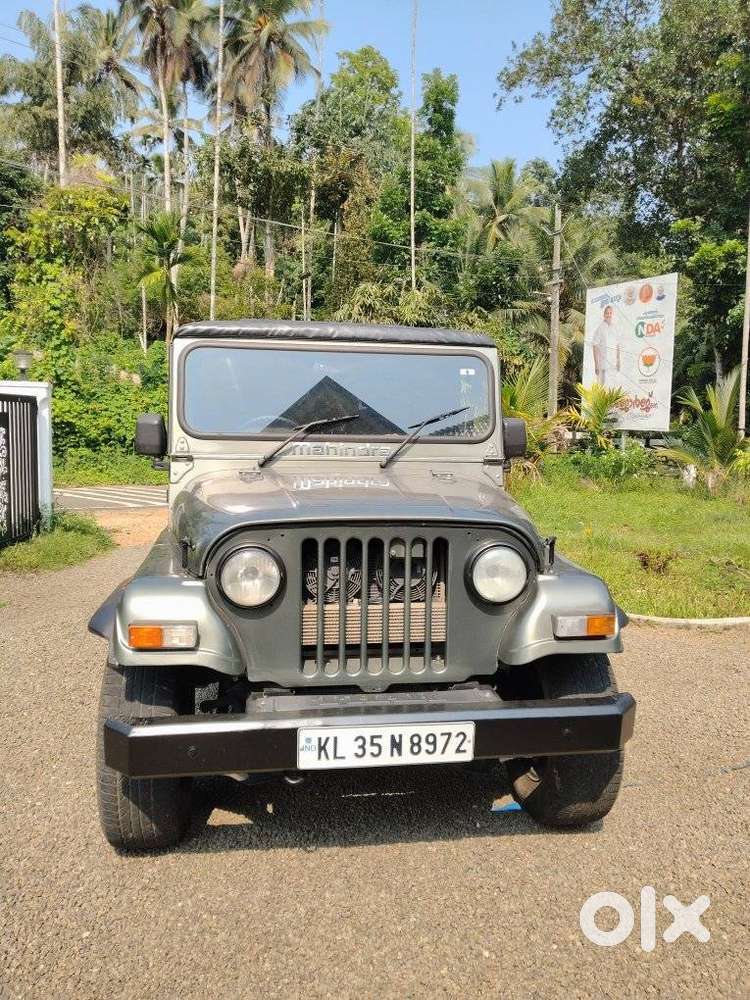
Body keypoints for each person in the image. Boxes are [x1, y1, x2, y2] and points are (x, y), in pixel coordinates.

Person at [591, 304, 620, 386]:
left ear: (612, 314)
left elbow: (617, 345)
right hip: (602, 365)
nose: (609, 315)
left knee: (613, 389)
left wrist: (618, 361)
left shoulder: (615, 328)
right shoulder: (600, 328)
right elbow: (595, 346)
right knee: (602, 390)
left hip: (613, 365)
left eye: (610, 313)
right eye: (607, 313)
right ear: (604, 315)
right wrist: (596, 364)